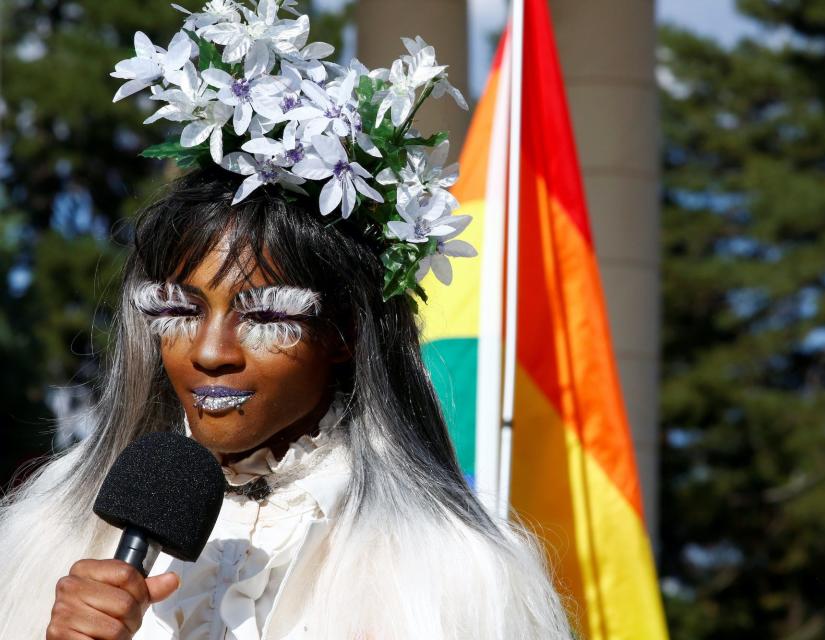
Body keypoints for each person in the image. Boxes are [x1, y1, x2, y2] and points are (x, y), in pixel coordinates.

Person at [0, 2, 573, 638]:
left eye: (265, 318)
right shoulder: (52, 534)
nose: (211, 352)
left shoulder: (453, 578)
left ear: (347, 333)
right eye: (180, 311)